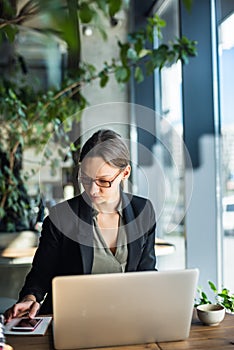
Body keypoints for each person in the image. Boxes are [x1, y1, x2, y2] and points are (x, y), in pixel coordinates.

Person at [4, 129, 157, 322]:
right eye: (85, 179)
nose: (93, 190)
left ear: (125, 172)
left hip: (126, 318)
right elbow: (39, 277)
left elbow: (147, 274)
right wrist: (30, 298)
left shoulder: (143, 210)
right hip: (72, 320)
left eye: (104, 181)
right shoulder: (61, 218)